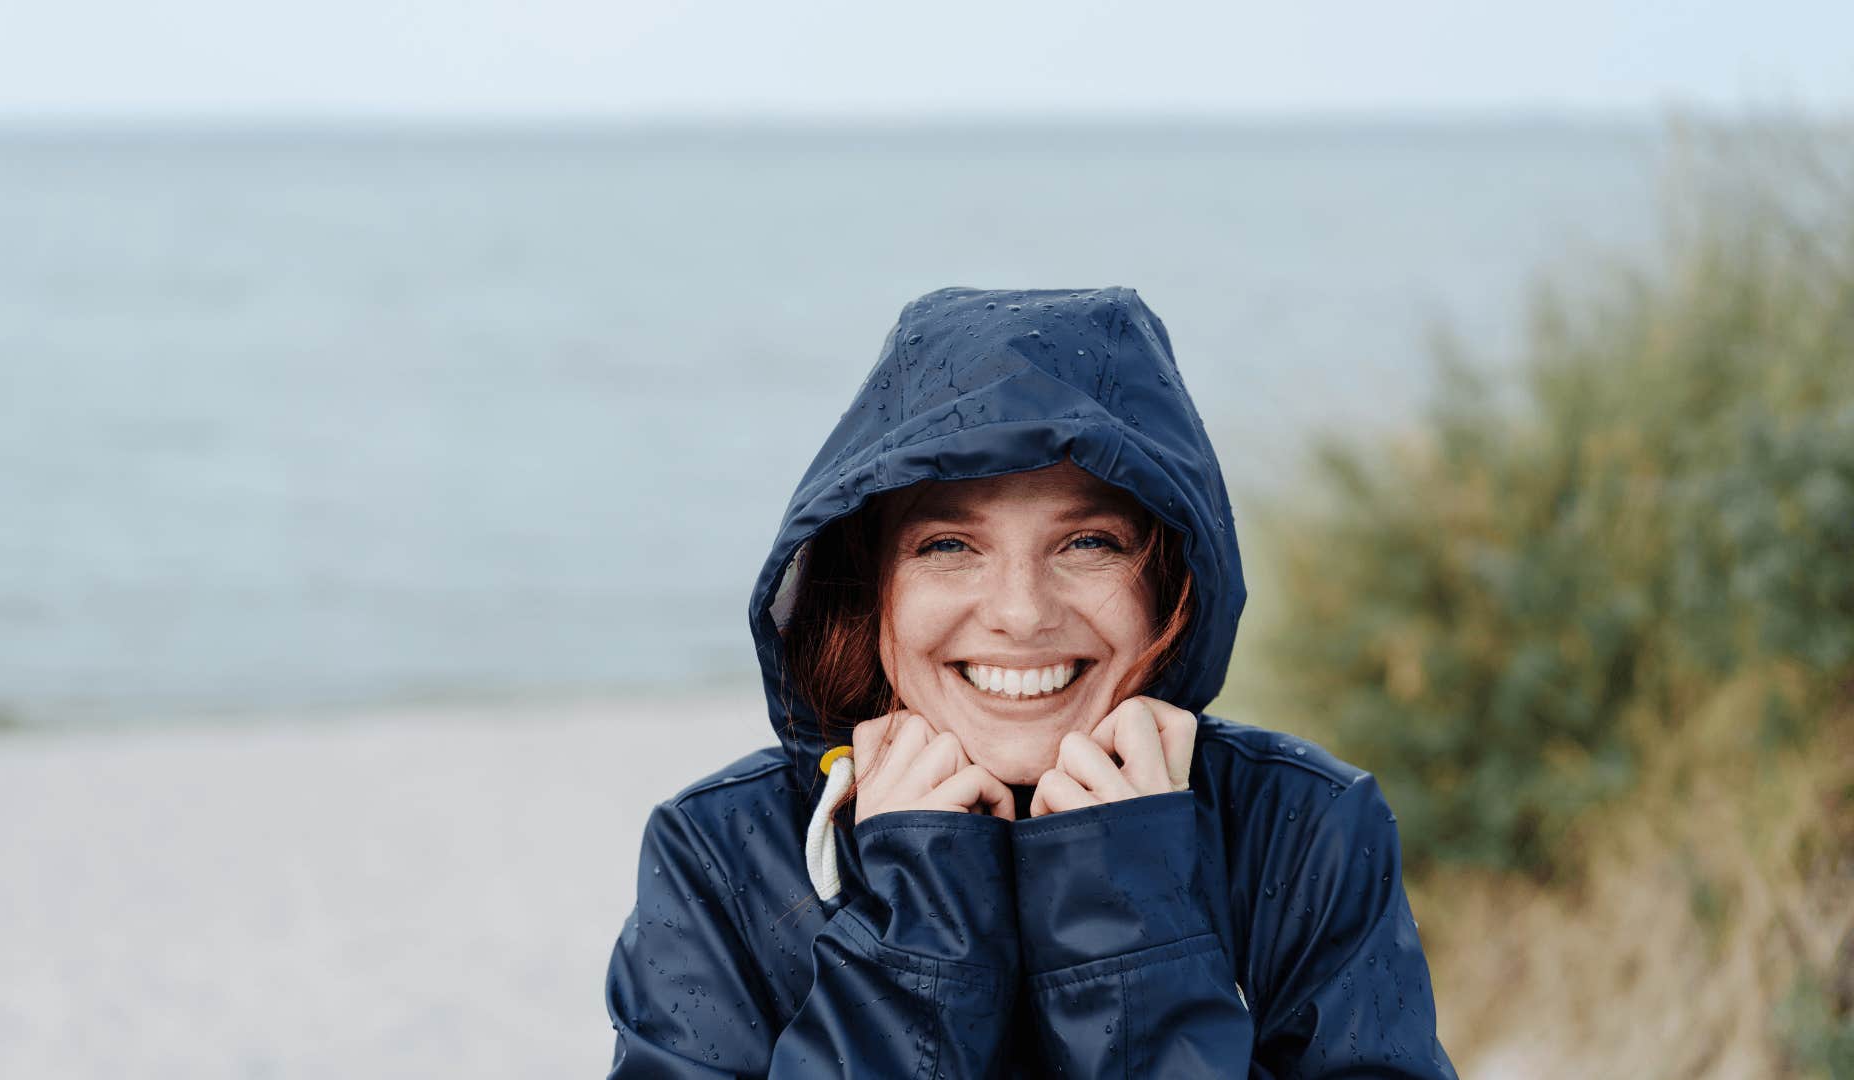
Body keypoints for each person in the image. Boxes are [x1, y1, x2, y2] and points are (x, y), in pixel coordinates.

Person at [604, 286, 1459, 1077]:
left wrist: (1130, 926)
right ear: (870, 588)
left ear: (1172, 579)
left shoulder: (1306, 829)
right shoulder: (723, 853)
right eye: (948, 545)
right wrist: (917, 949)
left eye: (1089, 543)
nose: (1019, 613)